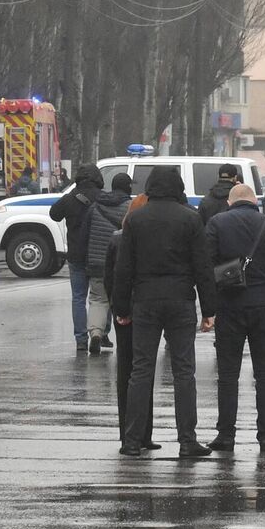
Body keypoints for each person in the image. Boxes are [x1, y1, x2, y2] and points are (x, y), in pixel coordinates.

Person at [113, 166, 218, 459]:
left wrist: (122, 308)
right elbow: (203, 266)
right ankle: (187, 440)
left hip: (145, 301)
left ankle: (132, 441)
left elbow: (124, 268)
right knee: (184, 371)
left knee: (141, 370)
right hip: (181, 300)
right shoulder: (190, 218)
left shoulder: (135, 219)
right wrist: (209, 309)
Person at [204, 181, 265, 453]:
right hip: (264, 306)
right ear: (255, 202)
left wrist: (210, 308)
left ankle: (226, 435)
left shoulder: (217, 223)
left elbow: (205, 267)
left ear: (230, 202)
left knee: (228, 375)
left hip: (229, 307)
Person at [103, 194, 159, 450]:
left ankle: (129, 433)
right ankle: (144, 433)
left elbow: (109, 278)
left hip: (123, 311)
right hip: (145, 307)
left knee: (128, 372)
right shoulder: (148, 238)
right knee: (143, 370)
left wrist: (117, 306)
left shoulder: (117, 238)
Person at [48, 166, 107, 352]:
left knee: (78, 298)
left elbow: (54, 214)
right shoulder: (103, 198)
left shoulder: (70, 198)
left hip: (76, 255)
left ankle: (81, 339)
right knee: (102, 297)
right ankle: (101, 333)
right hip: (99, 256)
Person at [80, 173, 134, 354]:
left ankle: (95, 332)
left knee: (97, 299)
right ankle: (125, 340)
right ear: (128, 188)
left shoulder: (96, 206)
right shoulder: (130, 208)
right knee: (121, 299)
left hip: (96, 262)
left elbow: (85, 234)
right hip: (120, 263)